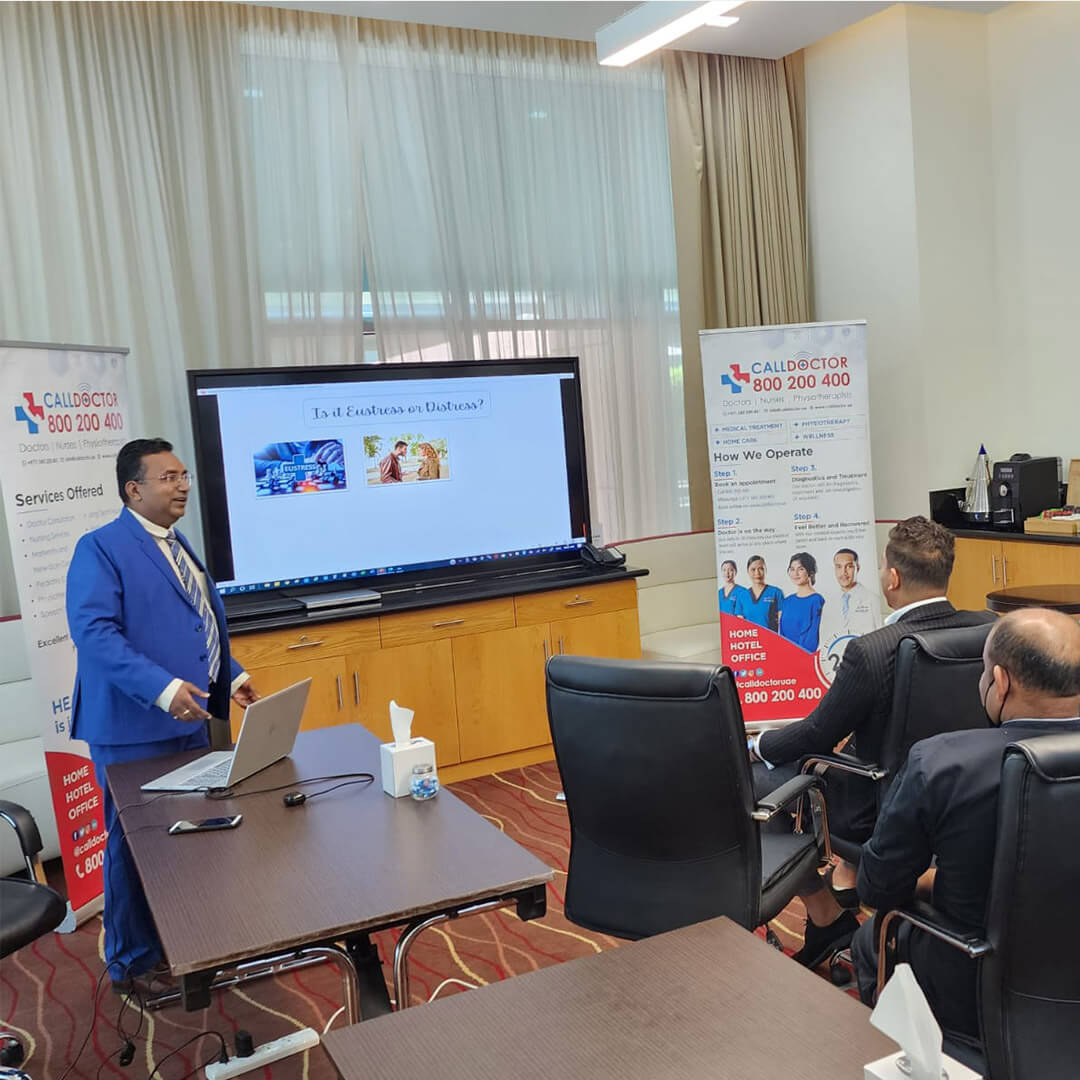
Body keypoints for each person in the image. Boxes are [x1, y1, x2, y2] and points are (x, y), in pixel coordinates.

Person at [746, 516, 994, 967]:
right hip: (969, 798)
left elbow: (817, 733)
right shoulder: (987, 629)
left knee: (755, 780)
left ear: (892, 577)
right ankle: (842, 899)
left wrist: (760, 745)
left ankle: (824, 913)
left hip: (882, 806)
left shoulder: (873, 650)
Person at [66, 439, 259, 993]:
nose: (183, 486)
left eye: (184, 476)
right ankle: (132, 963)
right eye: (169, 477)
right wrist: (162, 689)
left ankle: (186, 945)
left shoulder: (176, 543)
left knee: (186, 837)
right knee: (136, 846)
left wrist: (231, 676)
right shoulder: (100, 548)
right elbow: (94, 634)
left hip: (188, 719)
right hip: (132, 727)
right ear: (134, 489)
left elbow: (193, 626)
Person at [853, 609, 1080, 1039]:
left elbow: (878, 887)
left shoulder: (940, 762)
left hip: (971, 991)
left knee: (869, 941)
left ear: (1001, 682)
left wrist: (933, 882)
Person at [779, 552, 825, 651]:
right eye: (792, 569)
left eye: (800, 569)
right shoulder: (787, 601)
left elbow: (812, 639)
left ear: (810, 572)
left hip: (804, 655)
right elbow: (782, 634)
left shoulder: (816, 600)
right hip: (785, 653)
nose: (795, 574)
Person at [736, 555, 784, 632]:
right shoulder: (742, 596)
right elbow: (740, 626)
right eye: (753, 569)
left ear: (765, 570)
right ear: (748, 571)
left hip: (771, 638)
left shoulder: (776, 593)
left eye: (761, 569)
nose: (757, 573)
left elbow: (783, 623)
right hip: (751, 638)